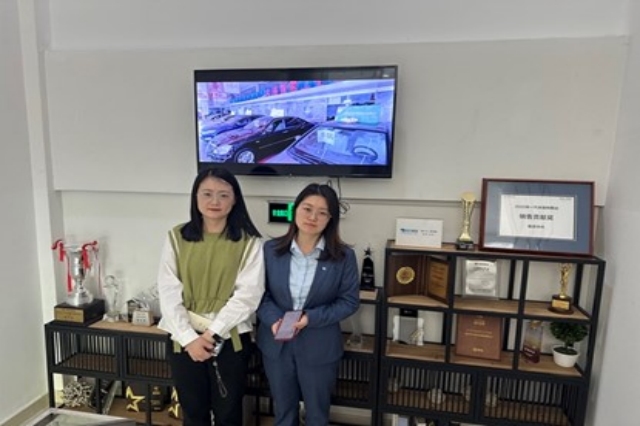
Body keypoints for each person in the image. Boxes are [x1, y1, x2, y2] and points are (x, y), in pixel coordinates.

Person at [157, 167, 264, 426]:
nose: (214, 201)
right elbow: (168, 291)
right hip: (183, 339)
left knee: (228, 414)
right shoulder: (176, 237)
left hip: (230, 337)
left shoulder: (250, 242)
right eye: (207, 193)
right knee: (193, 413)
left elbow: (248, 295)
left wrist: (210, 335)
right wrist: (189, 339)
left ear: (235, 199)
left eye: (223, 195)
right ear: (195, 197)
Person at [256, 183, 360, 426]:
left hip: (319, 345)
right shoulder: (270, 250)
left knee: (317, 416)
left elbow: (349, 302)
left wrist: (310, 318)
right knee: (283, 414)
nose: (313, 217)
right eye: (307, 209)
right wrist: (274, 320)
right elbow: (259, 295)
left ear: (330, 219)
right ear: (295, 210)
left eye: (322, 212)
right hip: (276, 345)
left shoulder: (343, 256)